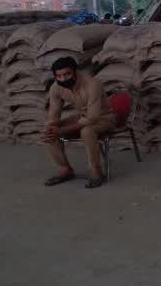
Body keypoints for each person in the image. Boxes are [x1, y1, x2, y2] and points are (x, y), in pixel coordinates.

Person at [41, 57, 117, 189]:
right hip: (81, 117)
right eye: (58, 76)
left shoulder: (93, 84)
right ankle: (65, 169)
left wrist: (62, 131)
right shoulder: (56, 87)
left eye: (67, 74)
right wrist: (53, 126)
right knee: (49, 130)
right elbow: (54, 113)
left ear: (75, 71)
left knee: (87, 131)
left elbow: (92, 117)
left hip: (104, 118)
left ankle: (96, 172)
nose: (63, 79)